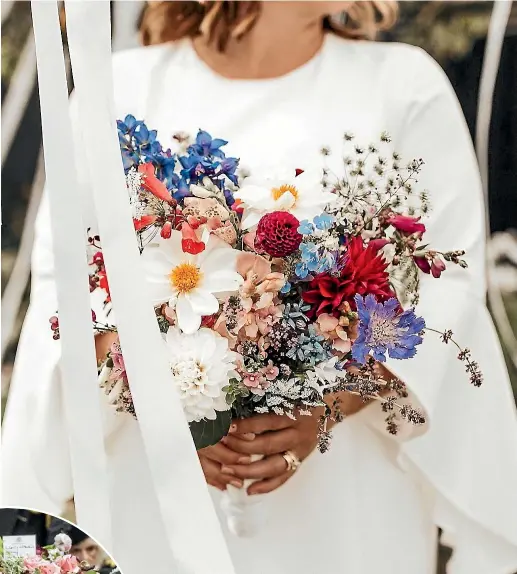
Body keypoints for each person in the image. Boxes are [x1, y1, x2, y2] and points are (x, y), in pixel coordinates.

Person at [3, 2, 517, 573]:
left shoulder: (404, 85)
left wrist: (331, 402)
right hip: (158, 487)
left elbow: (449, 287)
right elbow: (64, 291)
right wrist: (172, 398)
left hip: (347, 495)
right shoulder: (119, 89)